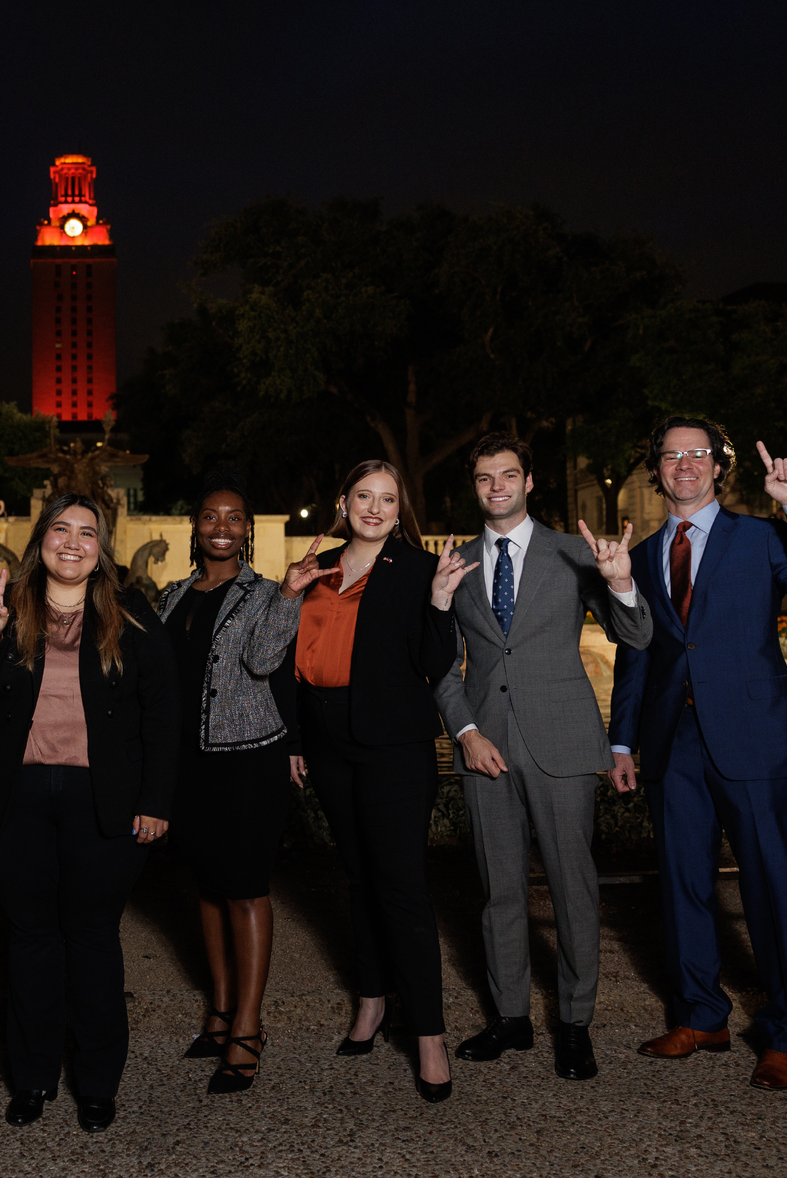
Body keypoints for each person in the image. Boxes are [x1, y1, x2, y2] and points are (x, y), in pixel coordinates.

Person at [609, 420, 787, 1090]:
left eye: (698, 454)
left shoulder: (763, 535)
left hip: (752, 737)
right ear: (656, 469)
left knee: (771, 883)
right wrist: (622, 739)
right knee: (682, 883)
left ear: (718, 466)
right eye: (671, 455)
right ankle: (701, 1014)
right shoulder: (649, 552)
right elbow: (639, 653)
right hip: (670, 744)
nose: (685, 464)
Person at [0, 493, 179, 1134]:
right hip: (15, 796)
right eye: (61, 529)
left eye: (88, 532)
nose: (73, 542)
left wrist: (156, 801)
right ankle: (32, 1077)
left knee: (92, 940)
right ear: (41, 539)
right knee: (29, 941)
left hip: (101, 801)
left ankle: (98, 1082)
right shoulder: (7, 607)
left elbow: (163, 713)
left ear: (102, 547)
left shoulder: (131, 614)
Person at [435, 433, 652, 1081]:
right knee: (499, 891)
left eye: (508, 475)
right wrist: (466, 731)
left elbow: (636, 635)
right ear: (473, 487)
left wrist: (621, 582)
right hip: (486, 746)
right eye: (483, 478)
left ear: (530, 481)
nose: (496, 486)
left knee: (573, 889)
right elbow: (441, 664)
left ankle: (575, 1023)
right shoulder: (457, 563)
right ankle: (510, 1018)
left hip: (561, 740)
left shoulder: (572, 552)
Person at [296, 460, 477, 1102]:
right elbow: (293, 661)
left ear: (402, 510)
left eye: (388, 498)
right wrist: (297, 740)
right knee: (358, 878)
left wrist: (439, 603)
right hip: (327, 741)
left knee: (400, 886)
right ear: (342, 502)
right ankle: (371, 1001)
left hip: (393, 748)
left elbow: (435, 663)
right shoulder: (315, 569)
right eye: (363, 496)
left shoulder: (421, 570)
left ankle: (428, 1033)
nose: (374, 507)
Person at [157, 470, 335, 1094]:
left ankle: (249, 1028)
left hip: (246, 759)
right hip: (188, 762)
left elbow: (264, 662)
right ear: (195, 527)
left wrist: (288, 596)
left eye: (235, 518)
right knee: (206, 885)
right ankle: (220, 1008)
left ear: (248, 530)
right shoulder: (171, 595)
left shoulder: (265, 592)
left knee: (244, 887)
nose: (222, 527)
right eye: (211, 516)